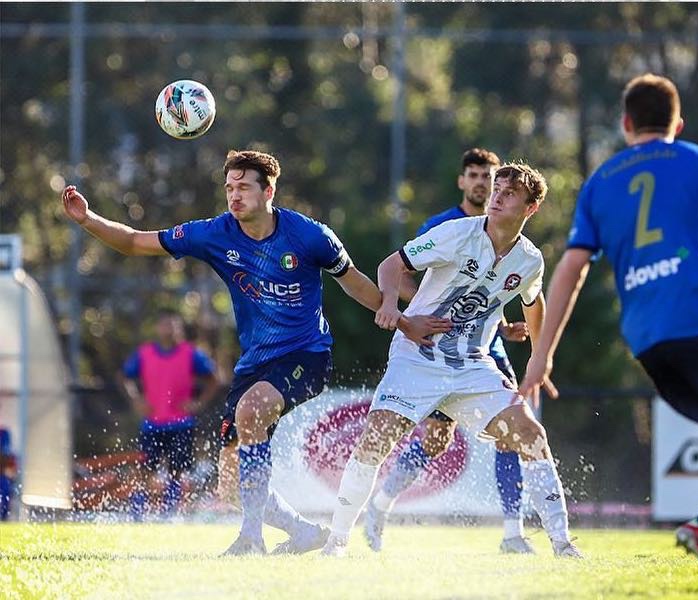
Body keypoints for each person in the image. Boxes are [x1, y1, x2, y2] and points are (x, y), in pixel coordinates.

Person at [61, 149, 444, 556]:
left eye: (243, 187)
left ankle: (250, 539)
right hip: (253, 366)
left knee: (251, 410)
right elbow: (135, 243)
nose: (234, 195)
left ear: (269, 191)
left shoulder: (310, 236)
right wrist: (87, 219)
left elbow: (355, 283)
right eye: (229, 187)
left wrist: (404, 321)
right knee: (230, 487)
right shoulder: (214, 233)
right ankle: (303, 531)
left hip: (307, 356)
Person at [520, 74, 698, 590]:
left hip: (649, 343)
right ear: (678, 124)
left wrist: (542, 355)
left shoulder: (601, 181)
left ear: (625, 123)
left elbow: (571, 270)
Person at [322, 162, 582, 559]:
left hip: (472, 364)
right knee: (376, 439)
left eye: (509, 193)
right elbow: (391, 264)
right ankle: (337, 543)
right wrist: (392, 306)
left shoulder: (530, 259)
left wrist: (538, 355)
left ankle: (562, 545)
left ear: (531, 208)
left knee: (531, 435)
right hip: (418, 357)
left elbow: (534, 299)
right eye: (497, 189)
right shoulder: (456, 233)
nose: (497, 197)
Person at [363, 148, 537, 555]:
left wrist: (503, 324)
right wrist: (426, 315)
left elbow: (497, 287)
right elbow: (409, 276)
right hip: (436, 348)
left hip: (485, 350)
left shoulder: (515, 236)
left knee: (511, 433)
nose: (483, 184)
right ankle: (381, 502)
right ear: (462, 181)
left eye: (489, 177)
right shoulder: (444, 226)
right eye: (474, 175)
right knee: (437, 440)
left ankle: (513, 533)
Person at [120, 311, 220, 517]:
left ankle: (170, 513)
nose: (170, 330)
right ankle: (138, 512)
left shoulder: (191, 353)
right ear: (158, 328)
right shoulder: (145, 353)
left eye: (174, 326)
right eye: (165, 325)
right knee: (145, 469)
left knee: (178, 470)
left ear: (180, 329)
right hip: (152, 424)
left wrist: (199, 403)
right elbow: (124, 376)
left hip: (181, 424)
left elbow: (214, 378)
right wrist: (136, 399)